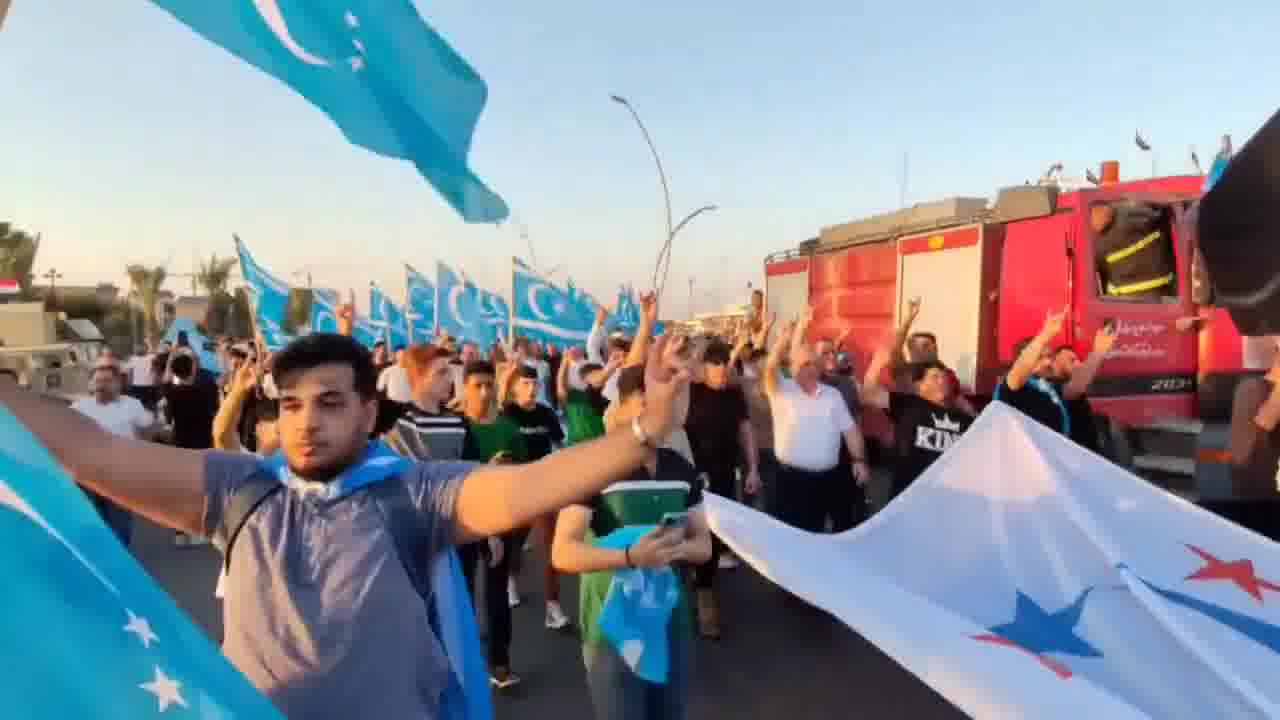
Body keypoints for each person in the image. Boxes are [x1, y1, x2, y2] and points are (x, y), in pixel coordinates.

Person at [0, 331, 688, 718]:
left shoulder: (411, 497)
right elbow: (88, 452)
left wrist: (641, 431)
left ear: (368, 413)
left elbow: (520, 490)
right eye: (292, 403)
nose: (306, 421)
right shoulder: (237, 489)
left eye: (330, 402)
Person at [552, 365, 713, 720]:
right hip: (612, 627)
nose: (679, 408)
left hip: (670, 623)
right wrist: (630, 555)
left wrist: (674, 548)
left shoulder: (681, 468)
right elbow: (563, 551)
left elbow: (704, 546)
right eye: (672, 395)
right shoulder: (593, 463)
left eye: (683, 396)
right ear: (632, 403)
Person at [762, 310, 870, 535]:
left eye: (811, 363)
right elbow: (770, 367)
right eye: (801, 364)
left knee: (814, 535)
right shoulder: (781, 389)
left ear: (819, 367)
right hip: (789, 482)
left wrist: (859, 460)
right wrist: (782, 340)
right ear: (792, 367)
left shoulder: (832, 395)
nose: (807, 368)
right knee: (786, 538)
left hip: (824, 482)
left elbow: (850, 431)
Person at [458, 360, 530, 690]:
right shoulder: (456, 427)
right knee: (462, 594)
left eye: (489, 384)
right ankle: (461, 662)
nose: (485, 392)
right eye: (477, 385)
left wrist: (508, 469)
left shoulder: (509, 429)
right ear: (465, 388)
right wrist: (484, 469)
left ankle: (500, 663)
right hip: (460, 523)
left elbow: (524, 474)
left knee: (497, 593)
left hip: (500, 520)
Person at [862, 300, 973, 499]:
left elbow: (959, 401)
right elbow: (894, 353)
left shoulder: (946, 373)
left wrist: (975, 419)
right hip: (913, 442)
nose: (927, 350)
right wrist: (908, 319)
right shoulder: (907, 373)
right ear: (911, 350)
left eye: (931, 345)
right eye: (921, 346)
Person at [682, 339, 756, 639]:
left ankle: (705, 596)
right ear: (705, 367)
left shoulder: (735, 396)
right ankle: (696, 587)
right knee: (687, 532)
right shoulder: (692, 391)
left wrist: (753, 467)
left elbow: (746, 432)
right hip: (690, 474)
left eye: (726, 365)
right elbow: (681, 367)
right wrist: (699, 356)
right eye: (716, 365)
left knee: (712, 535)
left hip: (724, 474)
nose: (722, 372)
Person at [499, 362, 570, 629]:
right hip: (515, 486)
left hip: (543, 486)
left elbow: (560, 444)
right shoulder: (507, 413)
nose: (531, 388)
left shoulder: (546, 413)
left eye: (534, 383)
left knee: (550, 547)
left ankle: (553, 606)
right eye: (525, 383)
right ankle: (511, 578)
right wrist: (504, 381)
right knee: (514, 540)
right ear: (515, 387)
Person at [70, 356, 161, 545]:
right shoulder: (78, 407)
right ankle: (101, 560)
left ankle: (120, 561)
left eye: (107, 381)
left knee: (120, 522)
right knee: (93, 522)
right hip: (88, 475)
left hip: (120, 474)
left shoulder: (131, 405)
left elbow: (149, 427)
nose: (102, 385)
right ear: (91, 384)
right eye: (98, 380)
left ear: (118, 384)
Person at [995, 309, 1071, 436]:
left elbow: (1077, 388)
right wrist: (1045, 335)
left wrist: (1099, 351)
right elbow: (1021, 367)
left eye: (1050, 356)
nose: (1048, 362)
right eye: (1041, 357)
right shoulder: (1014, 385)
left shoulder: (1049, 386)